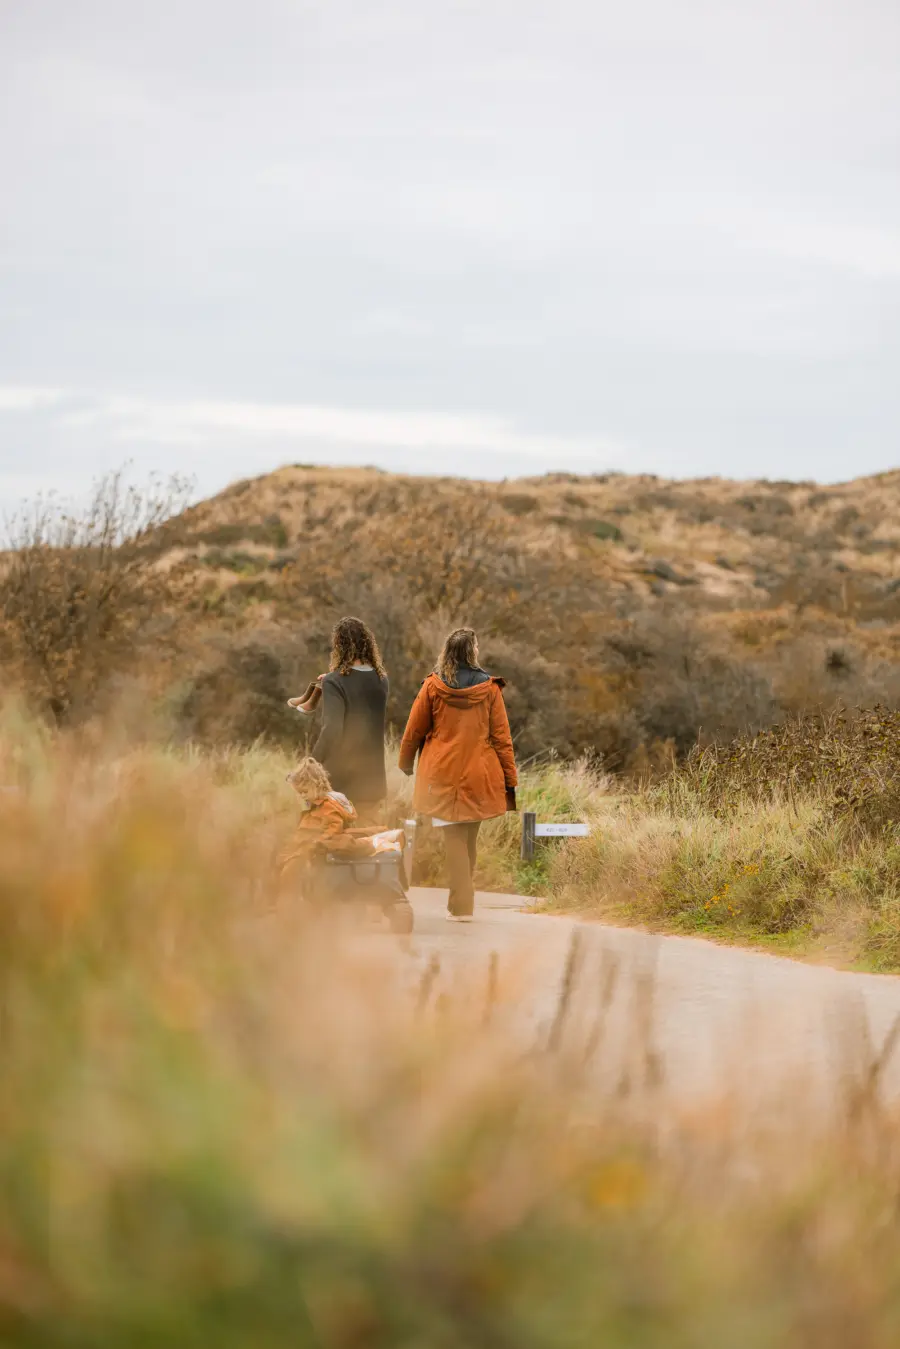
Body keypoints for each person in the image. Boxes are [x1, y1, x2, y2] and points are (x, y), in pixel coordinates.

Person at [398, 627, 517, 922]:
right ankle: (460, 902)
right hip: (480, 772)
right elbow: (502, 738)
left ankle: (462, 904)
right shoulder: (489, 689)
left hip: (442, 773)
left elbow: (414, 729)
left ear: (447, 652)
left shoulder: (433, 686)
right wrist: (509, 779)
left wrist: (406, 761)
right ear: (472, 650)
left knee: (454, 838)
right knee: (468, 838)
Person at [307, 616, 389, 823]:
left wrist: (312, 763)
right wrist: (332, 680)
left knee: (336, 846)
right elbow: (358, 688)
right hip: (372, 781)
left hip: (342, 784)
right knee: (367, 844)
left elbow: (332, 729)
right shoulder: (382, 680)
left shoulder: (335, 682)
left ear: (339, 647)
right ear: (368, 644)